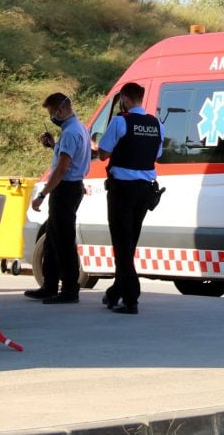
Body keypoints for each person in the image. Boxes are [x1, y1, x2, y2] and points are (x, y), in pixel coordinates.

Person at [97, 82, 163, 314]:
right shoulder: (156, 124)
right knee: (129, 241)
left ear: (124, 98)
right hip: (145, 190)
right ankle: (116, 291)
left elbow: (104, 153)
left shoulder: (120, 121)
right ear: (141, 98)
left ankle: (131, 297)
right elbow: (157, 154)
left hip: (122, 190)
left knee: (121, 243)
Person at [24, 92, 90, 304]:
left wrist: (42, 195)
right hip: (69, 187)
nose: (52, 117)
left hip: (66, 189)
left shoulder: (71, 132)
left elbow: (62, 169)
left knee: (63, 240)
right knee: (52, 239)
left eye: (52, 112)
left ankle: (70, 289)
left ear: (61, 110)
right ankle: (49, 285)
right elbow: (67, 156)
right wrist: (54, 146)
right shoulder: (77, 129)